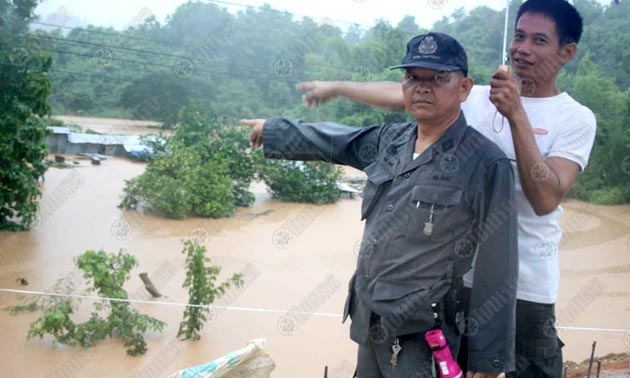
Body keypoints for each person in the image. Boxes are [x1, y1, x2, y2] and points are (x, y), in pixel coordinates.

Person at [295, 1, 597, 377]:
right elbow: (406, 91)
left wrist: (517, 115)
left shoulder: (575, 118)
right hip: (459, 286)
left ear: (567, 51)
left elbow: (546, 198)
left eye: (539, 40)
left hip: (527, 288)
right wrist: (338, 88)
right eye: (519, 36)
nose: (522, 48)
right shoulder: (475, 97)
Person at [243, 32, 518, 378]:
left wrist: (487, 360)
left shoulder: (483, 162)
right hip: (370, 320)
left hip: (424, 336)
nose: (422, 87)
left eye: (438, 78)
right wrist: (274, 130)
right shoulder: (391, 141)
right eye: (412, 78)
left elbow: (499, 264)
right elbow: (336, 140)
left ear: (464, 88)